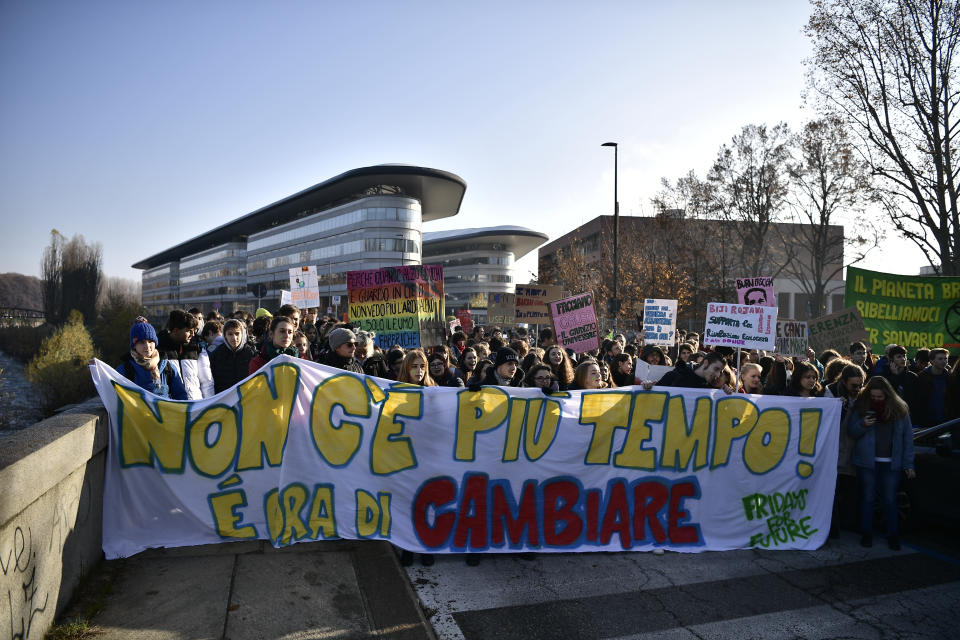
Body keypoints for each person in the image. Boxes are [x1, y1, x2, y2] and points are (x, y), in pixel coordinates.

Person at [848, 376, 916, 550]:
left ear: (888, 395)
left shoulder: (900, 410)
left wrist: (909, 464)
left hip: (891, 462)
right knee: (868, 498)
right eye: (873, 397)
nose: (876, 400)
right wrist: (863, 424)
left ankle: (893, 535)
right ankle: (867, 534)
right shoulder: (861, 406)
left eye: (880, 397)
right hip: (867, 461)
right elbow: (851, 432)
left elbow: (908, 438)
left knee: (889, 499)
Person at [824, 363, 865, 537]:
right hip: (836, 447)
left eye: (861, 384)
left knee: (851, 489)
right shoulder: (831, 392)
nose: (858, 389)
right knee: (834, 490)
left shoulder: (863, 395)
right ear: (844, 382)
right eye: (854, 386)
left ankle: (849, 522)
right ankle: (834, 526)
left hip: (854, 448)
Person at [117, 321, 187, 400]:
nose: (147, 346)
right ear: (134, 346)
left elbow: (181, 397)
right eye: (142, 342)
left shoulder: (168, 368)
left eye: (150, 341)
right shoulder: (125, 370)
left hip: (165, 412)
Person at [157, 309, 214, 400]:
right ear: (175, 331)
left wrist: (209, 405)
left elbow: (207, 382)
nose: (193, 334)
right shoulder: (158, 349)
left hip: (196, 405)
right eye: (188, 331)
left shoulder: (197, 347)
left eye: (194, 330)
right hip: (172, 407)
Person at [210, 319, 256, 394]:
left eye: (237, 333)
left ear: (243, 334)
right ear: (225, 335)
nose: (234, 338)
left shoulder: (251, 353)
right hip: (224, 398)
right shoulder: (216, 354)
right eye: (230, 334)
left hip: (246, 398)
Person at [656, 352, 726, 389]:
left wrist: (725, 393)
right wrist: (648, 387)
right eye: (716, 369)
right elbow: (655, 395)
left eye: (720, 371)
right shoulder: (675, 375)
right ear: (706, 363)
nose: (718, 375)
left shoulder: (713, 387)